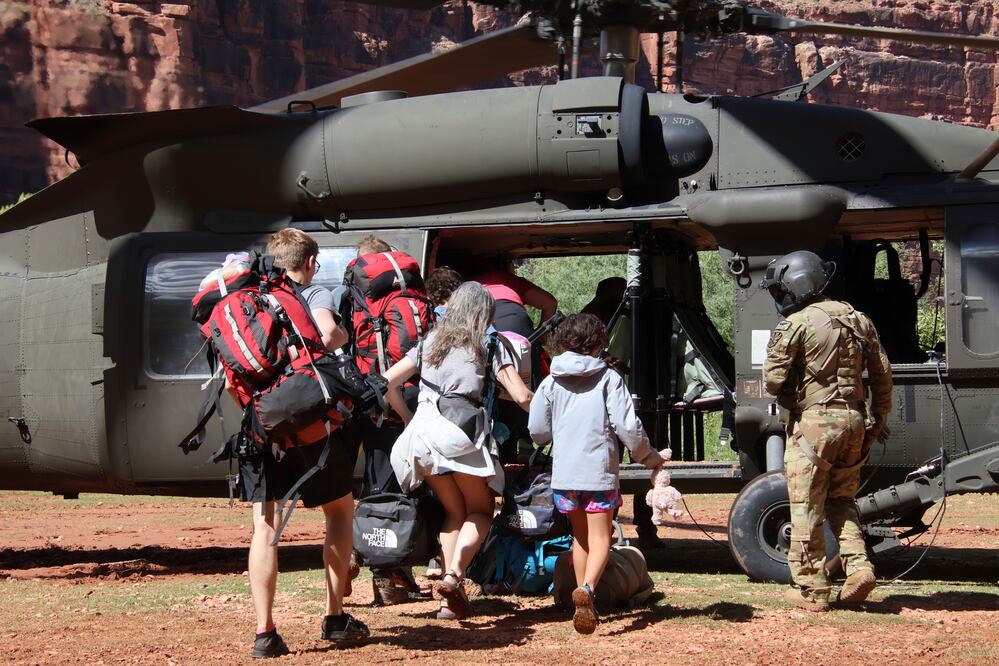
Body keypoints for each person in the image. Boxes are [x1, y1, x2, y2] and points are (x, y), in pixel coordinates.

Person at [240, 229, 366, 659]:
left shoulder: (250, 301)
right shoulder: (313, 295)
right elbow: (330, 336)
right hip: (309, 418)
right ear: (310, 261)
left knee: (265, 527)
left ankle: (265, 632)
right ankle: (334, 617)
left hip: (259, 424)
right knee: (338, 511)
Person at [383, 282, 534, 620]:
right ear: (486, 312)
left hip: (422, 438)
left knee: (454, 513)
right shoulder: (490, 342)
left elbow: (387, 381)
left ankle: (448, 602)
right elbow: (522, 396)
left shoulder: (430, 341)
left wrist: (408, 417)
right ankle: (453, 576)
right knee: (481, 510)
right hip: (459, 436)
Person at [761, 250, 892, 611]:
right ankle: (858, 567)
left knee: (805, 506)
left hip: (816, 426)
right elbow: (882, 373)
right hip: (855, 422)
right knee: (841, 500)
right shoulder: (859, 318)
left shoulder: (797, 323)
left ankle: (812, 589)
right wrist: (878, 416)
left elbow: (772, 382)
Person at [528, 313, 666, 634]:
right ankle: (587, 591)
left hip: (565, 475)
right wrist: (647, 456)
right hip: (598, 473)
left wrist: (556, 431)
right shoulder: (608, 378)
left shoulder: (550, 381)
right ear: (598, 343)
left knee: (580, 537)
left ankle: (584, 600)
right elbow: (628, 426)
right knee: (602, 535)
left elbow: (537, 431)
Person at [346, 234, 426, 604]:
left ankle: (384, 576)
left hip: (375, 401)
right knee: (408, 486)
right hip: (414, 397)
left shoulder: (356, 300)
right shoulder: (411, 297)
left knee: (380, 485)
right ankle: (394, 572)